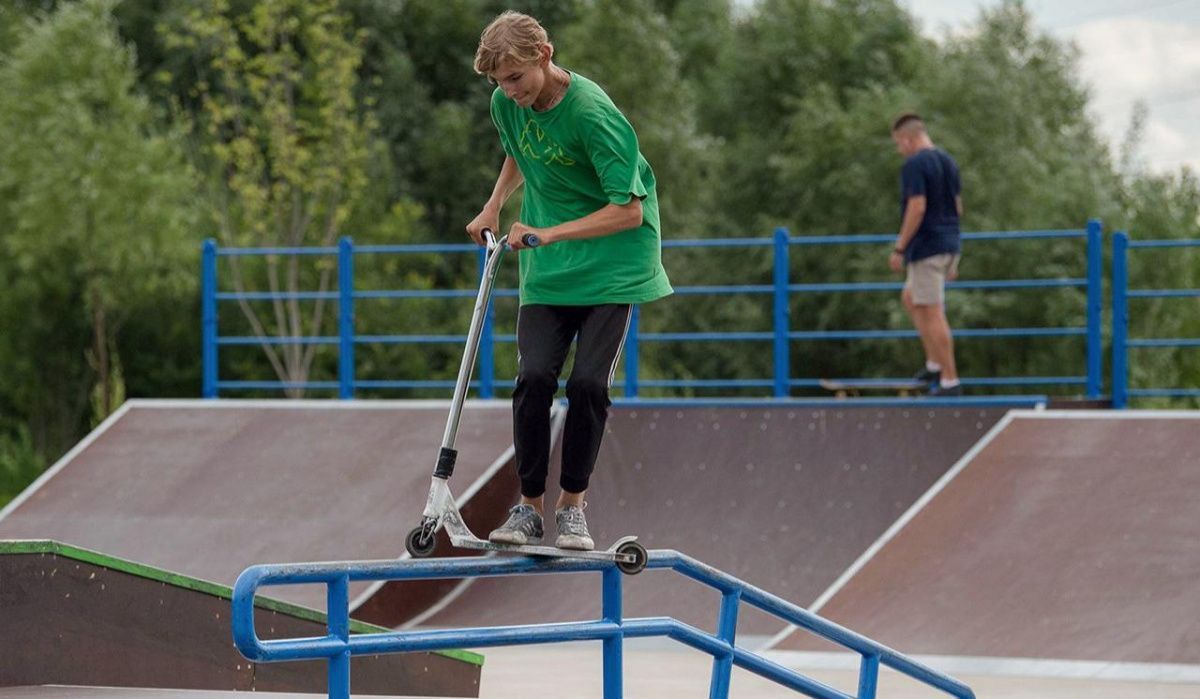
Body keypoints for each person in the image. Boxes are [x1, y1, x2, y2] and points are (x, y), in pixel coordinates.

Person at [466, 11, 672, 550]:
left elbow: (628, 210)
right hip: (550, 269)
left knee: (586, 385)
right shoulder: (506, 105)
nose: (509, 92)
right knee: (534, 378)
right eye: (499, 83)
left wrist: (550, 233)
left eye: (517, 78)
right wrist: (493, 206)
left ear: (546, 56)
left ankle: (572, 507)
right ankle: (528, 508)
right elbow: (520, 147)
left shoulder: (594, 115)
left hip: (613, 266)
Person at [889, 112, 962, 396]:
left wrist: (900, 247)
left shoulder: (915, 165)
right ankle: (934, 362)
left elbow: (916, 207)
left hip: (927, 247)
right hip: (947, 243)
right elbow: (957, 208)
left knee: (933, 313)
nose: (899, 150)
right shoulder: (948, 162)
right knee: (910, 297)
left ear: (909, 139)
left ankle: (950, 380)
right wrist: (953, 252)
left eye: (899, 144)